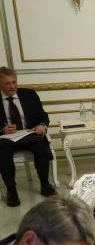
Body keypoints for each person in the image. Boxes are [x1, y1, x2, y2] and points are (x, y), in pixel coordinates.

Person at [0, 67, 56, 207]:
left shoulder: (29, 94)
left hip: (29, 134)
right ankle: (11, 191)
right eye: (7, 83)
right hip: (7, 139)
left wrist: (42, 125)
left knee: (41, 144)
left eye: (14, 82)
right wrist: (2, 129)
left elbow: (43, 116)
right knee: (2, 149)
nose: (12, 86)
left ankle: (45, 184)